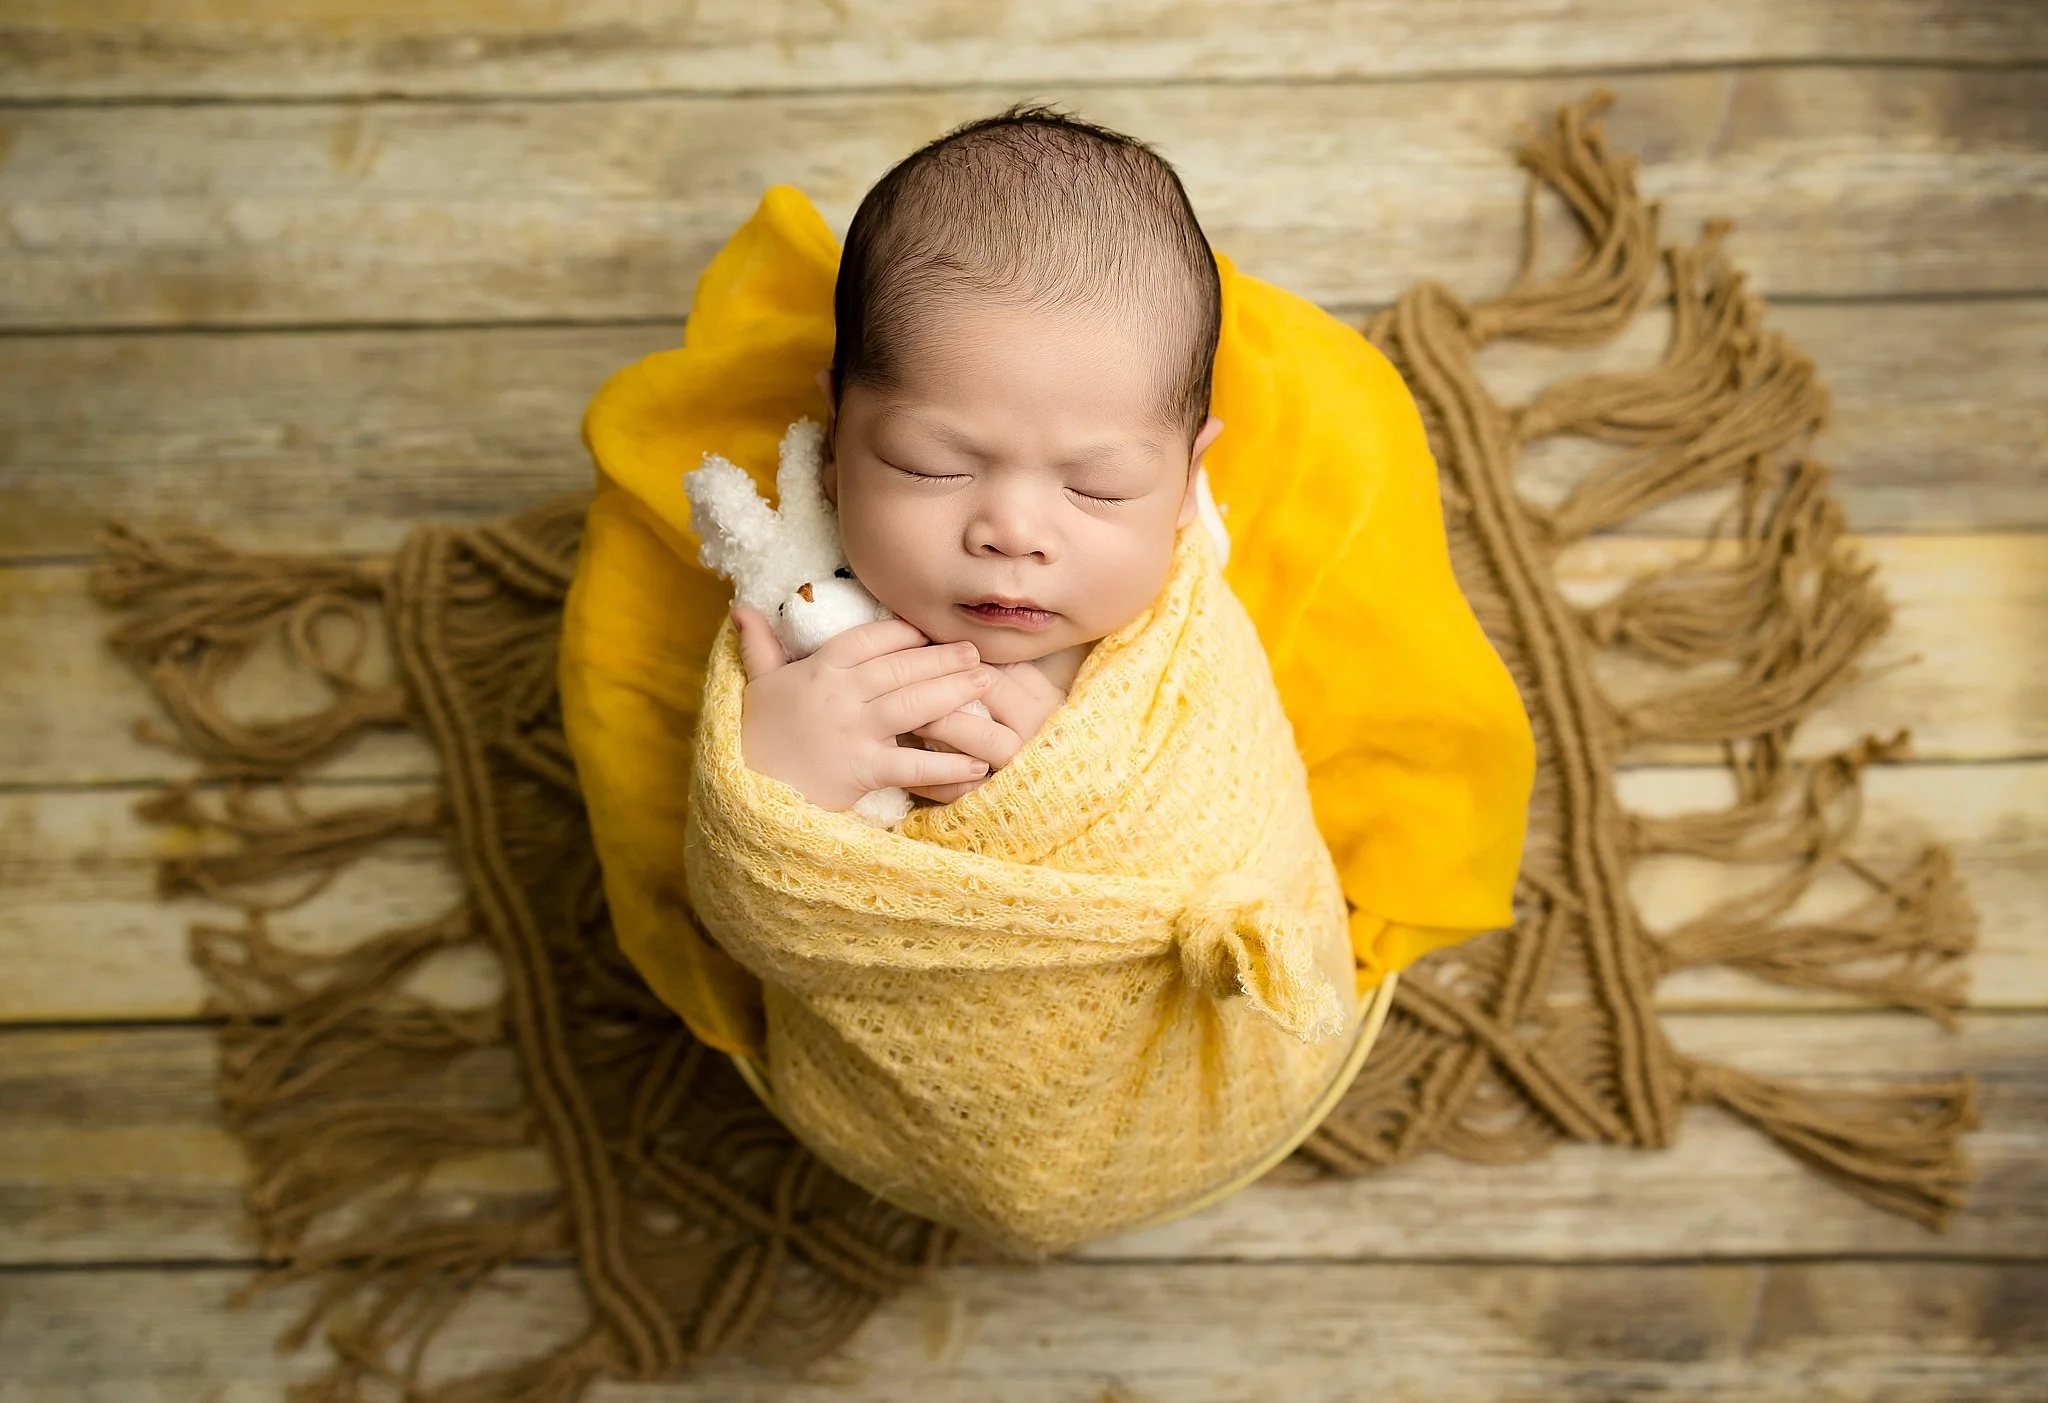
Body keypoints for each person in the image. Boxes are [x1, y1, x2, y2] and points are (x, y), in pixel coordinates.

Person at [728, 105, 1224, 815]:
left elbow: (1255, 856)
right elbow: (732, 910)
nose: (1013, 532)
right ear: (836, 440)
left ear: (1186, 482)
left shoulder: (1189, 640)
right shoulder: (796, 611)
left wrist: (1086, 797)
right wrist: (774, 778)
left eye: (1099, 487)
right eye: (931, 465)